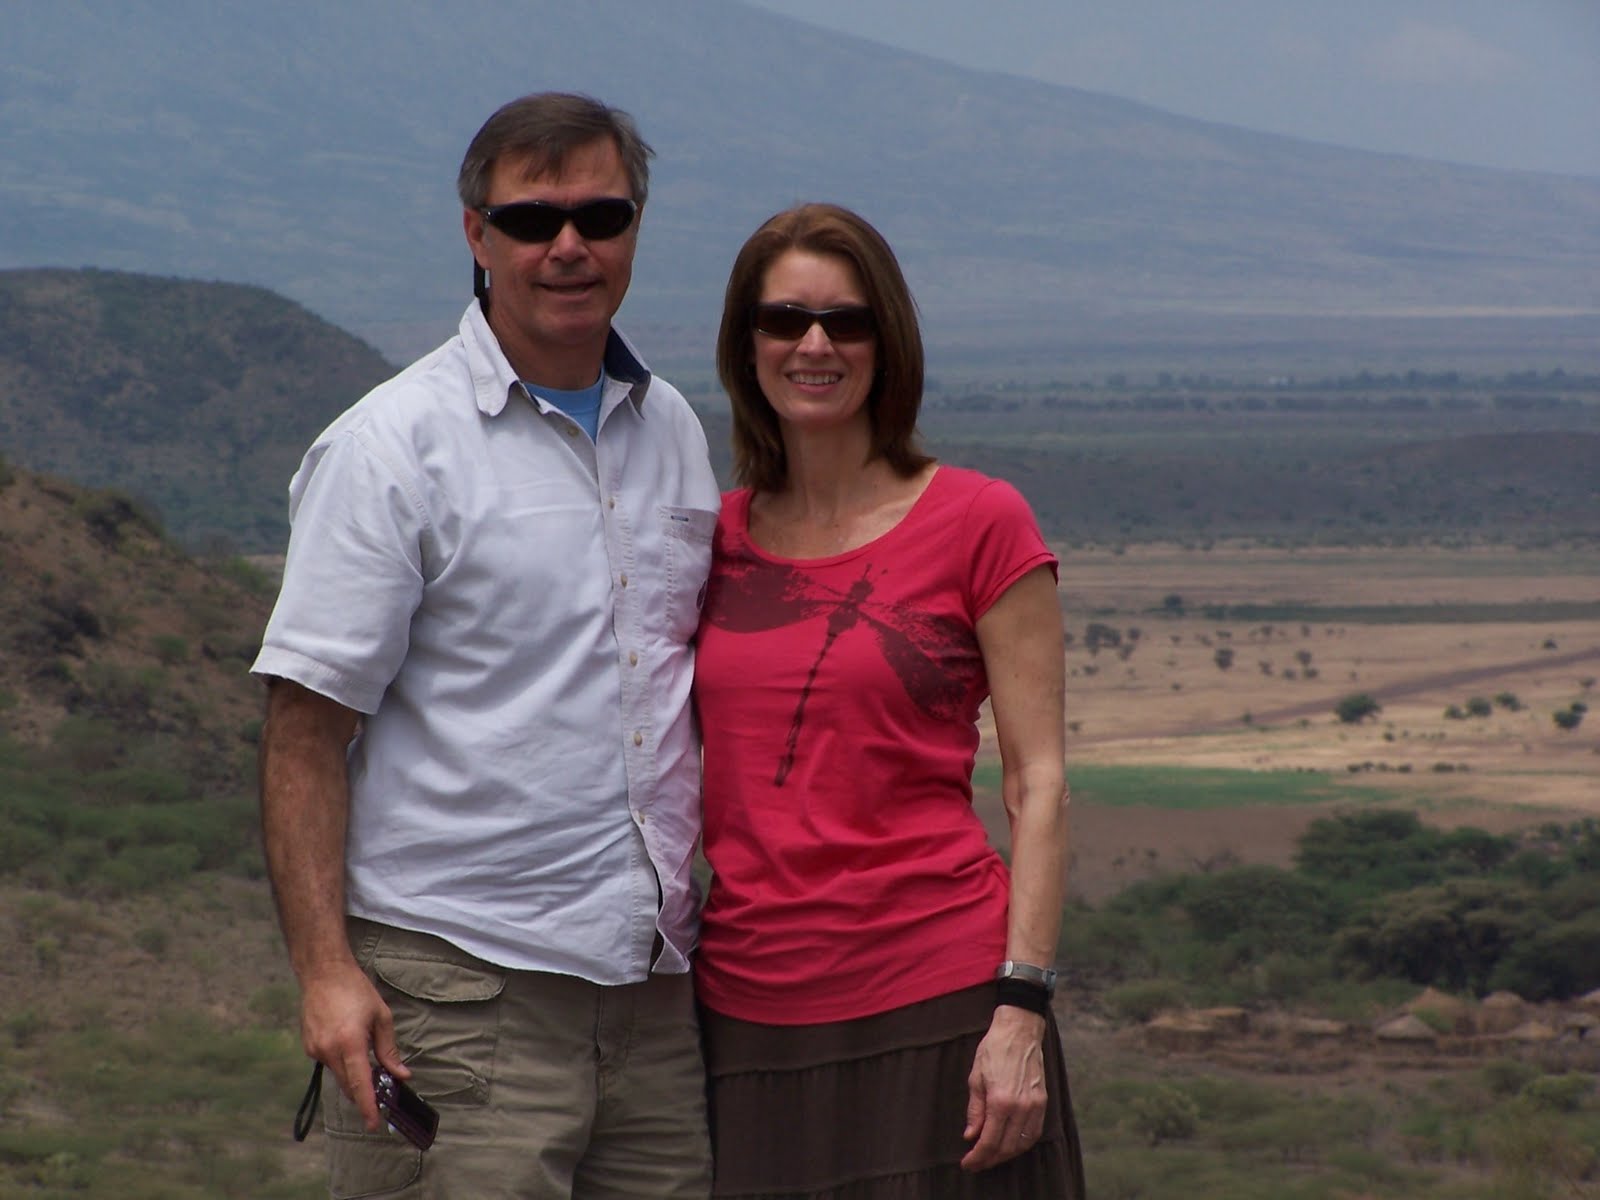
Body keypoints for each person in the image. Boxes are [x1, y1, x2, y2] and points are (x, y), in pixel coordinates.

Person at [253, 92, 719, 1198]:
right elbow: (304, 734)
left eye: (601, 216)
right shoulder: (391, 448)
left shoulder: (672, 428)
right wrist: (324, 973)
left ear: (636, 227)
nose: (569, 246)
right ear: (476, 233)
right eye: (530, 220)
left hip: (654, 1001)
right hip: (453, 998)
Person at [692, 203, 1087, 1197]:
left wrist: (1021, 1010)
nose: (814, 345)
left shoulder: (979, 520)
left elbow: (1038, 782)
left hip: (942, 1001)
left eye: (846, 321)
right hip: (744, 1011)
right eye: (784, 320)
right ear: (746, 345)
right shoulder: (706, 538)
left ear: (889, 341)